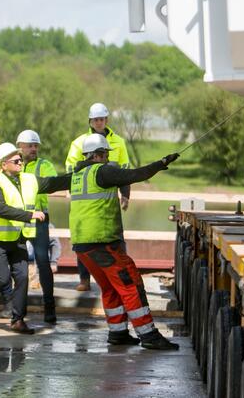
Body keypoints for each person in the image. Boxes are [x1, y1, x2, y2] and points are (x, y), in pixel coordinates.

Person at [70, 134, 180, 350]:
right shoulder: (102, 171)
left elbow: (51, 183)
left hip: (82, 246)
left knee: (110, 287)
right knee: (130, 283)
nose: (107, 158)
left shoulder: (77, 174)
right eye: (105, 154)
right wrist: (161, 163)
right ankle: (148, 335)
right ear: (97, 155)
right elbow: (134, 175)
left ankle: (118, 333)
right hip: (101, 243)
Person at [0, 143, 71, 334]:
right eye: (16, 160)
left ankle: (17, 320)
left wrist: (80, 173)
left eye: (20, 159)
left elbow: (53, 183)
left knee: (22, 278)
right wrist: (30, 215)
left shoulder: (29, 180)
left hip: (18, 239)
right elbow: (0, 208)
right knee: (2, 278)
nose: (21, 162)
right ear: (3, 165)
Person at [65, 102, 131, 292]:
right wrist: (72, 190)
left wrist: (125, 194)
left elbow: (125, 171)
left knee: (116, 236)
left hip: (108, 197)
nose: (99, 122)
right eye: (96, 119)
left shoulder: (118, 142)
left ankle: (121, 277)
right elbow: (71, 168)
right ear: (90, 121)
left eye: (102, 119)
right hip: (86, 199)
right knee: (83, 236)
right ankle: (84, 280)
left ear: (106, 120)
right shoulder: (79, 143)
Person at [16, 129, 59, 323]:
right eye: (29, 146)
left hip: (39, 219)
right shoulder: (14, 165)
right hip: (18, 219)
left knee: (42, 262)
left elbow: (51, 183)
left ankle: (49, 308)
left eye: (35, 146)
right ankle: (16, 308)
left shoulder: (44, 165)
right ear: (20, 147)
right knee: (18, 264)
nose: (33, 149)